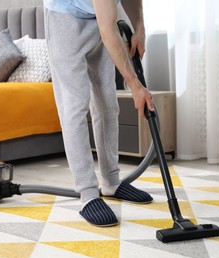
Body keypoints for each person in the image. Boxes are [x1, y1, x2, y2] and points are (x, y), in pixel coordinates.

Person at [44, 0, 154, 227]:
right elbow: (108, 32)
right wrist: (135, 86)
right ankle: (87, 194)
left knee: (107, 102)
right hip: (64, 18)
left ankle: (112, 182)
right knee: (75, 106)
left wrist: (140, 28)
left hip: (96, 16)